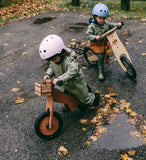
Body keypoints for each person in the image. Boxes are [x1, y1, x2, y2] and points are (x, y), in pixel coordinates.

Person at [39, 34, 100, 112]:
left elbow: (73, 70)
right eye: (51, 60)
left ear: (62, 53)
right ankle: (69, 104)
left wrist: (60, 79)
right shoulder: (53, 61)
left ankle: (94, 97)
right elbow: (52, 67)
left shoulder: (69, 60)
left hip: (75, 84)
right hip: (64, 85)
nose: (53, 61)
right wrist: (48, 74)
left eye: (55, 59)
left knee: (85, 100)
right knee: (65, 95)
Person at [85, 3, 122, 80]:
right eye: (100, 18)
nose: (102, 20)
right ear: (95, 17)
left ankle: (107, 57)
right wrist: (95, 37)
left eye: (104, 18)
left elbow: (112, 25)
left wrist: (117, 25)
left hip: (104, 40)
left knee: (113, 45)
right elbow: (88, 35)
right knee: (101, 56)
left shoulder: (106, 23)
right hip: (96, 43)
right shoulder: (92, 26)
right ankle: (100, 72)